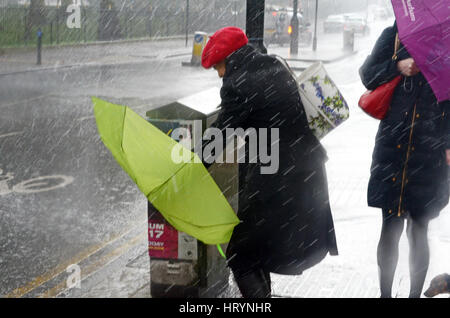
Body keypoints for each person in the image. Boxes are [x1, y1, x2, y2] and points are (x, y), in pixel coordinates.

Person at [200, 27, 338, 298]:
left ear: (229, 58)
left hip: (276, 181)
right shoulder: (275, 64)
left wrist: (192, 166)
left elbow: (221, 134)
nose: (219, 73)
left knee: (240, 255)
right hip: (305, 172)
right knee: (256, 251)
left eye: (218, 65)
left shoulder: (238, 83)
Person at [359, 22, 450, 298]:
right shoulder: (394, 35)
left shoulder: (446, 43)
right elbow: (367, 74)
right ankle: (385, 294)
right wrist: (397, 67)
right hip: (393, 146)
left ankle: (413, 295)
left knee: (419, 225)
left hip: (430, 149)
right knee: (390, 223)